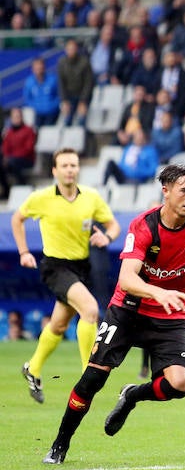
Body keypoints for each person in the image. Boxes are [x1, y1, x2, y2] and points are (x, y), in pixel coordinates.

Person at [42, 164, 185, 464]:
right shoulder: (144, 225)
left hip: (169, 315)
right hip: (128, 310)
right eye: (184, 190)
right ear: (165, 191)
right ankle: (60, 444)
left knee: (182, 383)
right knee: (92, 380)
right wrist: (159, 292)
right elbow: (127, 279)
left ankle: (132, 396)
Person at [11, 148, 121, 404]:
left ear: (78, 168)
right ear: (54, 170)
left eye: (74, 164)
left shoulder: (91, 197)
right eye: (65, 165)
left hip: (80, 267)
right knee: (91, 310)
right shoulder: (41, 198)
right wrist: (24, 251)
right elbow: (17, 219)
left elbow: (113, 225)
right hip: (55, 267)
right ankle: (88, 374)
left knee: (59, 325)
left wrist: (106, 236)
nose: (70, 169)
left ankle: (33, 368)